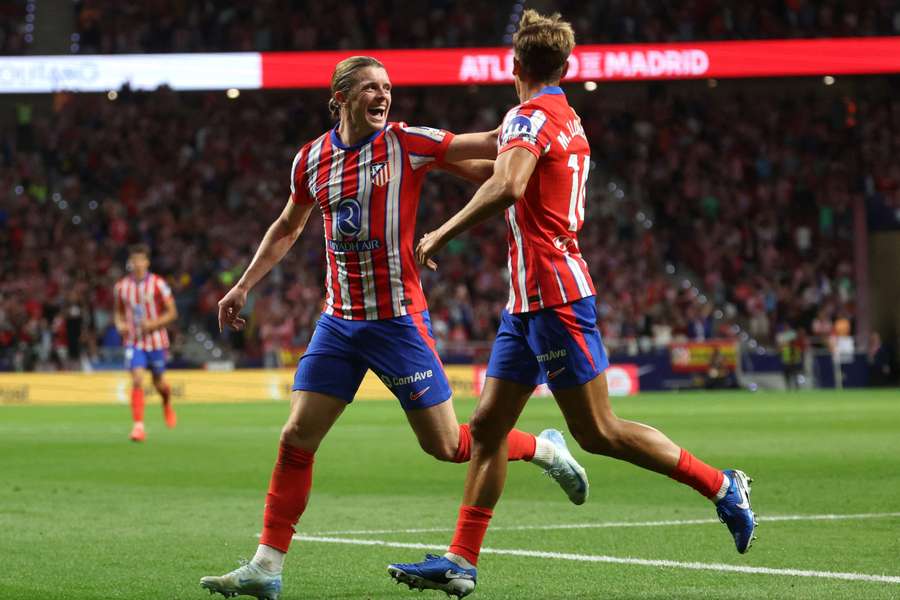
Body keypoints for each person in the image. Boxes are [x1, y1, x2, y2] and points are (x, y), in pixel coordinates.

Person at [388, 11, 757, 598]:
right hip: (526, 304)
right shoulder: (561, 116)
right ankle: (462, 560)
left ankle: (721, 485)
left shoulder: (528, 116)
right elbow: (503, 174)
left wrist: (438, 234)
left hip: (556, 298)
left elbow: (506, 184)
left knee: (599, 432)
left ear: (514, 67)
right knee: (486, 428)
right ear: (565, 66)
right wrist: (432, 156)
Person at [200, 56, 588, 600]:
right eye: (370, 89)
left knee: (449, 445)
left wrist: (529, 137)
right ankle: (266, 567)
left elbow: (488, 142)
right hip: (338, 323)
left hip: (397, 322)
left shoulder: (406, 142)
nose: (383, 96)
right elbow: (289, 225)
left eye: (387, 87)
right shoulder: (311, 159)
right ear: (340, 98)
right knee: (295, 436)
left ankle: (544, 449)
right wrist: (244, 284)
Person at [113, 244, 178, 442]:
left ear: (147, 262)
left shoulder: (158, 284)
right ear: (130, 263)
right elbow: (118, 311)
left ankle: (166, 403)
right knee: (137, 379)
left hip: (156, 341)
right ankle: (138, 427)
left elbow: (172, 313)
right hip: (134, 341)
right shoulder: (121, 287)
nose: (137, 264)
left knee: (159, 382)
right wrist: (119, 324)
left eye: (141, 260)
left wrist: (153, 324)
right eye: (134, 261)